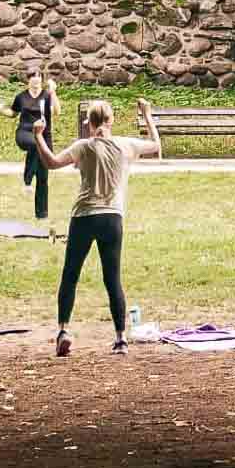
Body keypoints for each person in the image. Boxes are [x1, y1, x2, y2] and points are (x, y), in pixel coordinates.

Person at [33, 99, 162, 356]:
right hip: (112, 218)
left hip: (83, 216)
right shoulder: (126, 145)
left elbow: (51, 162)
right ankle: (120, 338)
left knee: (70, 275)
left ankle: (63, 331)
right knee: (112, 278)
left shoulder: (83, 146)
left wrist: (39, 136)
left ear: (90, 124)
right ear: (111, 121)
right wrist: (147, 115)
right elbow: (156, 145)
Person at [0, 66, 60, 221]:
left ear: (42, 79)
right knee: (34, 144)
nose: (36, 78)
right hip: (25, 133)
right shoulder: (21, 97)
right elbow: (13, 113)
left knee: (43, 176)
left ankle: (42, 214)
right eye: (33, 76)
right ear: (28, 79)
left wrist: (53, 92)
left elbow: (57, 111)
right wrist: (1, 110)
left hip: (44, 135)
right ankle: (27, 181)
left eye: (39, 76)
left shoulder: (47, 96)